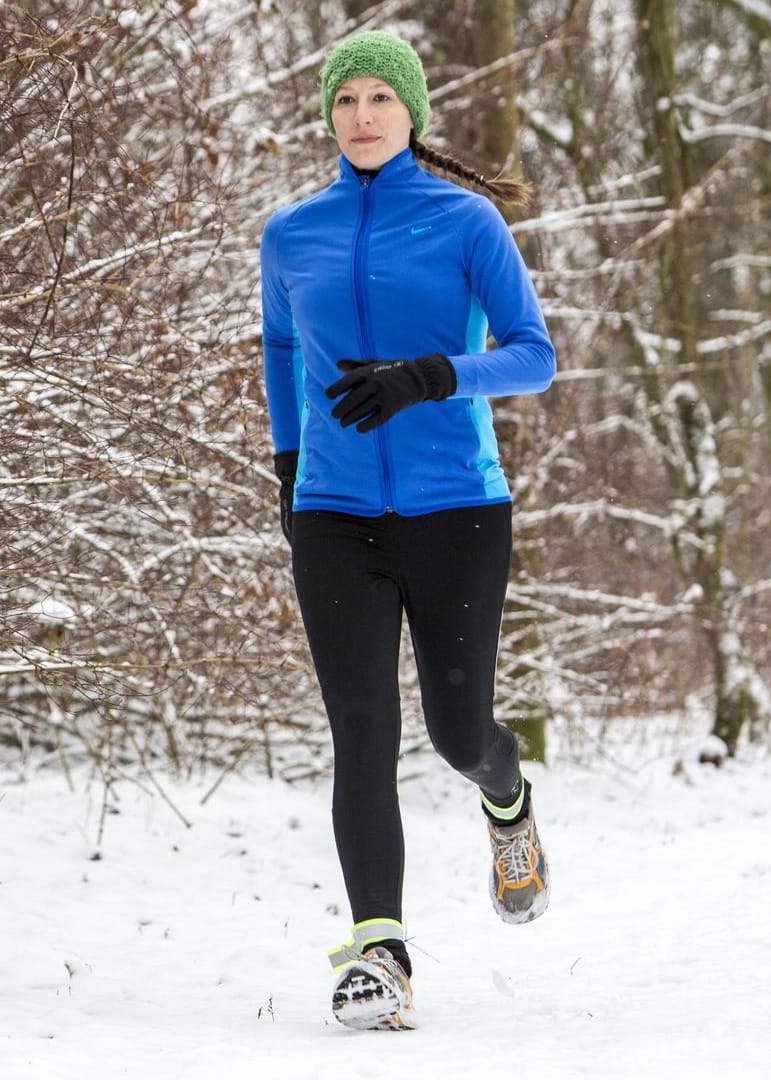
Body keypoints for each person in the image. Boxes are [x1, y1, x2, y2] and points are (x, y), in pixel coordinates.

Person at [259, 29, 556, 1031]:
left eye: (382, 98)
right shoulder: (290, 233)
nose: (364, 115)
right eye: (348, 100)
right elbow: (280, 343)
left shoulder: (465, 223)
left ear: (413, 113)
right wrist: (291, 465)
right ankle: (378, 953)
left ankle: (506, 797)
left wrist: (436, 375)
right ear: (330, 116)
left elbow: (535, 356)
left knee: (454, 732)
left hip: (457, 514)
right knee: (361, 733)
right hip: (335, 520)